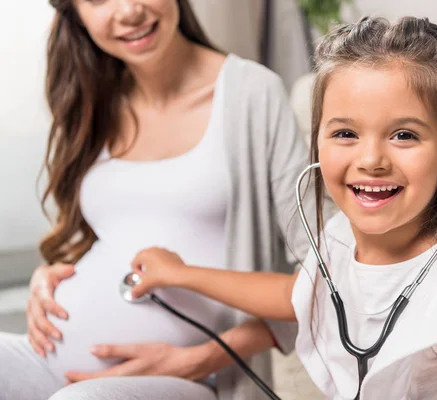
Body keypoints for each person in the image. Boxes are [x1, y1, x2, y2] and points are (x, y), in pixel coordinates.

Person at [127, 16, 437, 400]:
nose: (371, 160)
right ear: (317, 141)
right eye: (345, 134)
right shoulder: (341, 235)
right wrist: (180, 273)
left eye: (404, 135)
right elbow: (297, 296)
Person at [0, 0, 326, 399]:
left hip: (194, 379)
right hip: (48, 361)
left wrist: (204, 359)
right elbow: (113, 232)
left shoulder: (251, 94)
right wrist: (51, 276)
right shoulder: (93, 97)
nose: (129, 11)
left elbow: (327, 279)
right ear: (74, 12)